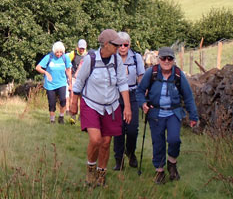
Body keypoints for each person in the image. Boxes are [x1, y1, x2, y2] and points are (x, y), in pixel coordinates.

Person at [70, 29, 131, 187]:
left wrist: (127, 107)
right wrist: (73, 102)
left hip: (111, 106)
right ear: (105, 44)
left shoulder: (117, 60)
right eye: (115, 44)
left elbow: (123, 83)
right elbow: (79, 82)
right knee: (95, 139)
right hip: (91, 104)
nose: (118, 47)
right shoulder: (90, 59)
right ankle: (90, 170)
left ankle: (101, 174)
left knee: (105, 142)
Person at [136, 47, 199, 184]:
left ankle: (172, 164)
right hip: (155, 113)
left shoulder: (178, 74)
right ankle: (159, 171)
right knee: (158, 142)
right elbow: (140, 91)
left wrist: (193, 116)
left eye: (169, 58)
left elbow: (188, 97)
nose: (166, 61)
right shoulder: (151, 73)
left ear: (173, 60)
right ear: (159, 60)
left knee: (174, 139)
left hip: (173, 113)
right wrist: (143, 104)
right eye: (163, 58)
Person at [112, 31, 145, 170]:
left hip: (132, 95)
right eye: (120, 44)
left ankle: (130, 152)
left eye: (125, 44)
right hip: (116, 95)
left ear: (129, 45)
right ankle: (119, 160)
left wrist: (143, 96)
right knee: (118, 129)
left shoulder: (136, 58)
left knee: (132, 129)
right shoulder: (112, 58)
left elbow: (141, 78)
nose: (123, 47)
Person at [36, 41, 73, 124]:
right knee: (52, 103)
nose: (59, 54)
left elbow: (68, 71)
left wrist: (70, 84)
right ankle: (52, 120)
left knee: (63, 100)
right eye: (57, 52)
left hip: (62, 83)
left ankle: (61, 117)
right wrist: (46, 72)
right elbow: (38, 67)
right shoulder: (49, 57)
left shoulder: (65, 58)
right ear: (54, 51)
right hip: (50, 84)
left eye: (61, 52)